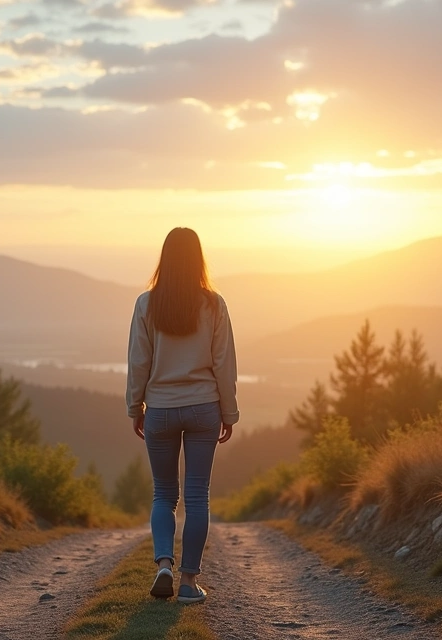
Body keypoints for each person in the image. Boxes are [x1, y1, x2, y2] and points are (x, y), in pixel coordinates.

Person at [126, 227, 238, 605]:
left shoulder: (146, 304)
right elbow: (224, 364)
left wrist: (135, 407)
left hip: (160, 408)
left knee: (163, 493)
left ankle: (163, 565)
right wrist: (229, 411)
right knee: (197, 496)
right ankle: (188, 582)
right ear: (198, 259)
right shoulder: (214, 304)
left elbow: (138, 362)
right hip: (204, 408)